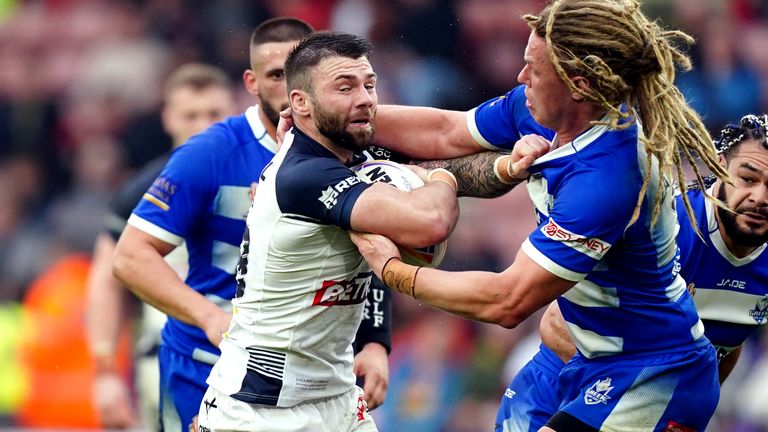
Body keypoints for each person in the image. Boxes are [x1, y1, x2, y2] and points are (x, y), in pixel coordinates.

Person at [348, 0, 731, 430]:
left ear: (579, 85)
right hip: (575, 356)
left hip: (649, 372)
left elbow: (507, 300)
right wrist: (342, 120)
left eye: (532, 67)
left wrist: (391, 270)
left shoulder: (609, 176)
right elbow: (446, 130)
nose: (520, 77)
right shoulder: (547, 112)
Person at [112, 19, 392, 432]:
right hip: (209, 366)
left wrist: (374, 340)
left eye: (297, 71)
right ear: (252, 82)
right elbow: (129, 257)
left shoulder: (354, 144)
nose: (287, 87)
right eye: (276, 74)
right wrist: (209, 317)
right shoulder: (211, 152)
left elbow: (368, 247)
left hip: (319, 378)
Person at [196, 31, 459, 432]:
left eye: (369, 85)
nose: (366, 99)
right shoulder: (304, 176)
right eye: (345, 87)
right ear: (299, 102)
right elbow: (431, 221)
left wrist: (515, 163)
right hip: (262, 410)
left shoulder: (350, 160)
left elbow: (366, 259)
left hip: (336, 400)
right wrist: (440, 177)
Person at [495, 113, 768, 432]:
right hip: (556, 393)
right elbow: (555, 324)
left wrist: (682, 400)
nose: (760, 198)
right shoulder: (667, 226)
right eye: (748, 179)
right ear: (720, 166)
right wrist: (641, 390)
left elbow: (727, 347)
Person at [86, 62, 237, 430]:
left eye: (213, 113)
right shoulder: (145, 187)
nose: (203, 124)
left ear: (233, 113)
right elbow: (107, 278)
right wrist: (105, 371)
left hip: (245, 356)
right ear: (168, 118)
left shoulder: (259, 176)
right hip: (165, 361)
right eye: (190, 115)